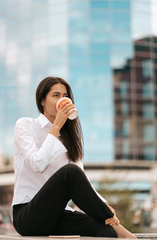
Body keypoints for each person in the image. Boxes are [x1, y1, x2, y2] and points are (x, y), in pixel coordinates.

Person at [11, 76, 136, 238]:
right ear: (42, 100)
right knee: (69, 172)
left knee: (106, 231)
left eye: (65, 96)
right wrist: (56, 127)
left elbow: (82, 182)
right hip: (28, 215)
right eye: (56, 95)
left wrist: (103, 204)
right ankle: (122, 231)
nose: (62, 100)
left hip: (59, 214)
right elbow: (37, 164)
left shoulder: (69, 139)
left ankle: (115, 225)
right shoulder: (25, 125)